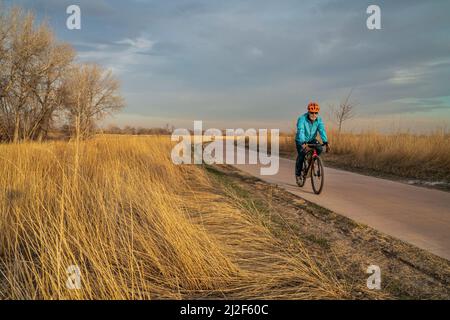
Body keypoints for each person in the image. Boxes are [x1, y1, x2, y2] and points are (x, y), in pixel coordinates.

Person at [295, 102, 330, 186]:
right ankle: (298, 175)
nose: (314, 114)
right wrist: (303, 142)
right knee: (302, 154)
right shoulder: (302, 119)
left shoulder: (319, 120)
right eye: (312, 112)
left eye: (316, 113)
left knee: (319, 148)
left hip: (311, 139)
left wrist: (325, 141)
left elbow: (322, 131)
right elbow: (301, 131)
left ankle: (312, 160)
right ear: (308, 112)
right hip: (301, 140)